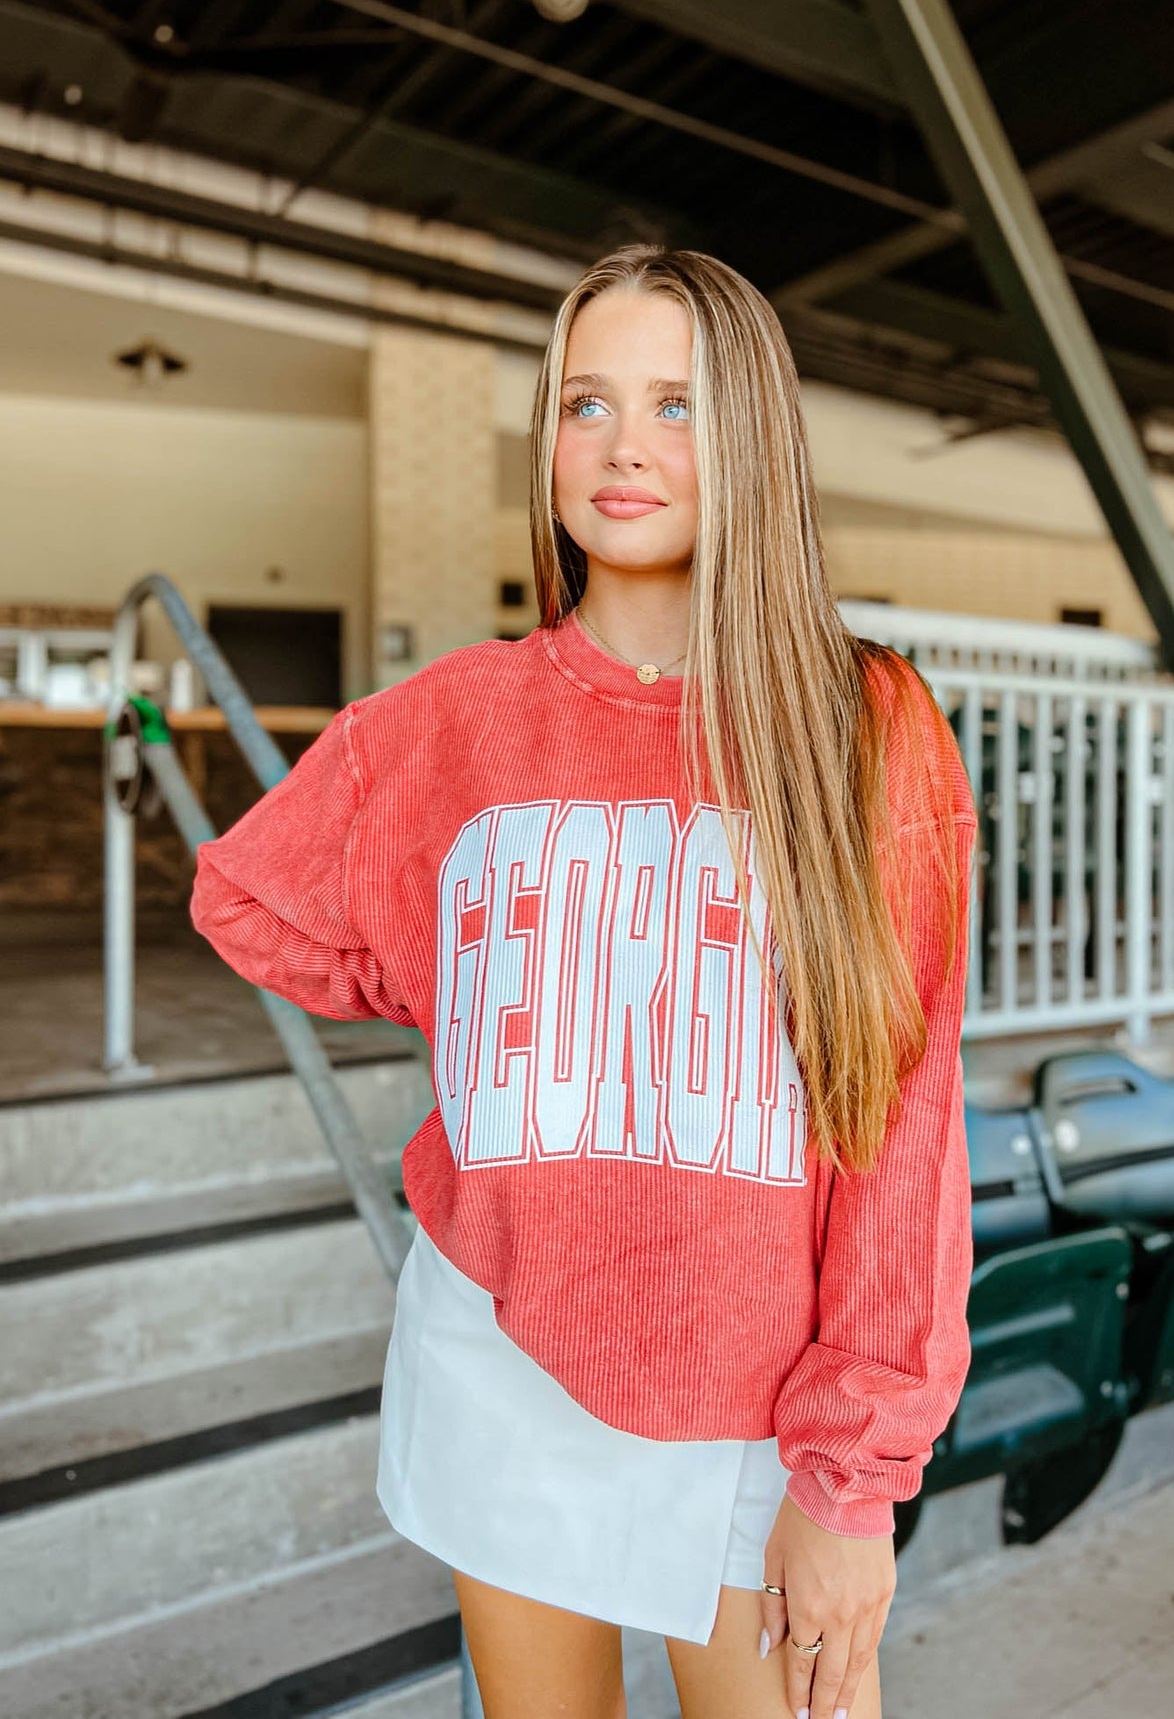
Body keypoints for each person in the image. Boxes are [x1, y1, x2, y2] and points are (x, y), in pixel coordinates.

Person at [190, 242, 978, 1719]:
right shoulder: (453, 719)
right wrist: (498, 988)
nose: (623, 445)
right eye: (585, 402)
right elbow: (249, 897)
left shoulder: (859, 720)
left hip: (757, 1393)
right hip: (498, 1348)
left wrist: (854, 1475)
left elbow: (905, 1117)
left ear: (752, 441)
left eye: (677, 406)